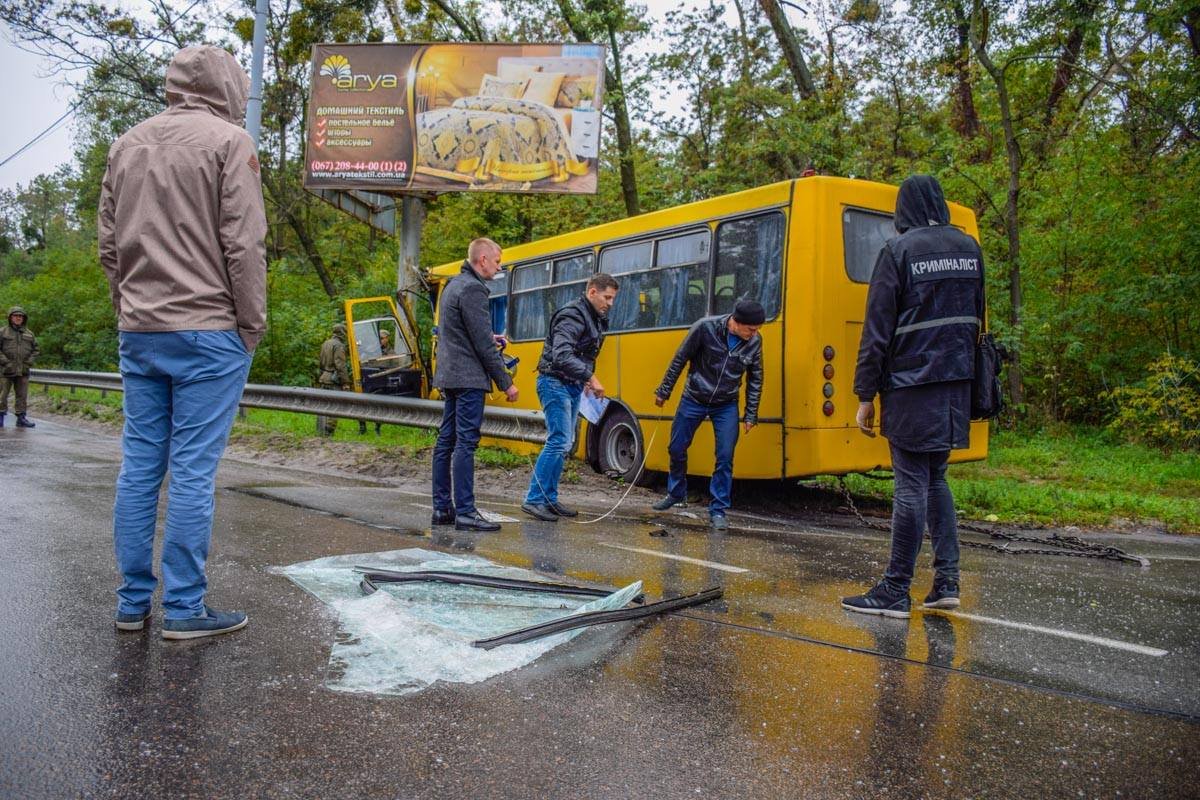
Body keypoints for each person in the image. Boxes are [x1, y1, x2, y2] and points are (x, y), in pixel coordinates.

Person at [98, 45, 267, 640]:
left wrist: (131, 309)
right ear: (228, 87)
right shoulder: (229, 143)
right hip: (210, 331)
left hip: (140, 331)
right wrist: (250, 326)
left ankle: (131, 603)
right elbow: (243, 247)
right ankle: (185, 610)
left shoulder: (126, 145)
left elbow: (109, 248)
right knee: (193, 471)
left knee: (140, 466)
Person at [841, 174, 985, 619]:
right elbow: (973, 317)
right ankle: (946, 580)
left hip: (910, 384)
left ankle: (895, 589)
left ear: (903, 210)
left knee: (910, 484)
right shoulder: (969, 250)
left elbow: (877, 330)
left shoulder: (897, 252)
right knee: (936, 478)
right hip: (957, 385)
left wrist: (865, 393)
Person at [651, 300, 765, 531]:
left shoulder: (754, 342)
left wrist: (751, 414)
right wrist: (664, 390)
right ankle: (676, 492)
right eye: (751, 329)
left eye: (757, 330)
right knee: (676, 447)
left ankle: (718, 509)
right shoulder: (705, 328)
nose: (754, 334)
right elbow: (679, 359)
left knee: (725, 455)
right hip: (694, 396)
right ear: (736, 322)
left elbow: (756, 378)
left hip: (726, 403)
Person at [432, 237, 519, 531]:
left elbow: (458, 333)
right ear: (482, 259)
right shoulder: (473, 289)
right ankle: (466, 512)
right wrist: (506, 382)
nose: (498, 266)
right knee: (465, 443)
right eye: (496, 261)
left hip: (450, 374)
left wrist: (489, 336)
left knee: (446, 441)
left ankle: (442, 509)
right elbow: (482, 345)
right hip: (468, 378)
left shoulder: (453, 285)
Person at [522, 273, 620, 521]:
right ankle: (534, 499)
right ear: (592, 292)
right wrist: (591, 377)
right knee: (559, 440)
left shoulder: (595, 317)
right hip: (554, 381)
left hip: (572, 384)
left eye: (613, 299)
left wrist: (585, 378)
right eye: (607, 297)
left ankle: (549, 499)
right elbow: (562, 355)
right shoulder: (572, 315)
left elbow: (585, 353)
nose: (610, 303)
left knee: (564, 442)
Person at [0, 306, 40, 429]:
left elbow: (36, 350)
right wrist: (6, 362)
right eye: (16, 315)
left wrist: (28, 363)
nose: (18, 318)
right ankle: (0, 417)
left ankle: (21, 418)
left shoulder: (29, 334)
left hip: (23, 370)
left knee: (22, 395)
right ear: (10, 317)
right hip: (5, 370)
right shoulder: (3, 332)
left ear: (24, 318)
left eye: (21, 316)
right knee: (2, 395)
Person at [317, 323, 351, 436]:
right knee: (335, 406)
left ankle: (320, 431)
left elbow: (321, 363)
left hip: (324, 378)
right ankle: (329, 431)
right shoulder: (339, 345)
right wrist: (345, 382)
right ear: (342, 333)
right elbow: (340, 365)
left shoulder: (325, 343)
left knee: (322, 406)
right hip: (333, 380)